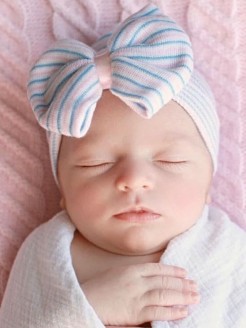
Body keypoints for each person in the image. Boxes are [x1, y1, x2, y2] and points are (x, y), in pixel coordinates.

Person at [0, 4, 245, 328]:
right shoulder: (43, 255)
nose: (133, 179)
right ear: (63, 193)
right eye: (95, 163)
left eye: (169, 160)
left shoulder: (228, 255)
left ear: (208, 187)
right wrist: (83, 312)